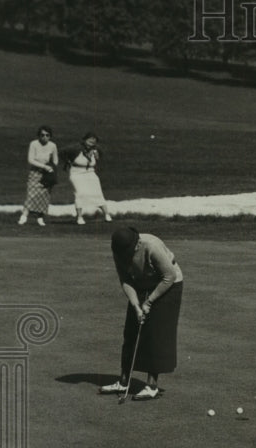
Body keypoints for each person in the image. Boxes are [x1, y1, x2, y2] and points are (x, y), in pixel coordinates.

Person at [99, 227, 184, 400]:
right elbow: (125, 279)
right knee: (130, 331)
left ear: (137, 243)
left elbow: (169, 276)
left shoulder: (151, 245)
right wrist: (136, 306)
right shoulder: (119, 250)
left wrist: (150, 301)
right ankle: (123, 382)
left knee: (155, 332)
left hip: (168, 284)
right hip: (141, 283)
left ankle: (152, 385)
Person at [61, 132, 112, 224]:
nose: (92, 142)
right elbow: (62, 152)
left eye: (94, 141)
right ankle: (79, 217)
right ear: (84, 140)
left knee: (97, 193)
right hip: (76, 173)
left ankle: (107, 214)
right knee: (79, 193)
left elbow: (100, 156)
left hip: (90, 173)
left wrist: (96, 155)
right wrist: (68, 162)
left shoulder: (96, 149)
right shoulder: (75, 148)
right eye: (90, 139)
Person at [18, 126, 59, 227]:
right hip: (35, 172)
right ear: (39, 135)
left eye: (47, 135)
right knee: (31, 195)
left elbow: (55, 160)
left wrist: (51, 168)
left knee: (44, 196)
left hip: (47, 174)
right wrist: (44, 166)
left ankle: (40, 218)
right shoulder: (34, 144)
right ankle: (24, 216)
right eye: (42, 135)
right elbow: (30, 160)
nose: (44, 137)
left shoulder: (53, 145)